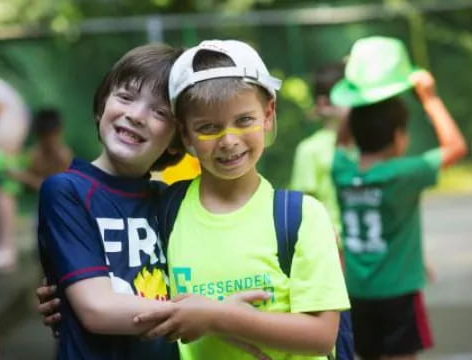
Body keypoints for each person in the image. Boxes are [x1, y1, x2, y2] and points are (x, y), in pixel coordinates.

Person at [35, 43, 271, 360]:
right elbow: (97, 308)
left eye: (160, 112)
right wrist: (213, 317)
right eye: (126, 97)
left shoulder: (172, 200)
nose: (136, 116)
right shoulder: (66, 191)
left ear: (179, 140)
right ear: (102, 103)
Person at [132, 39, 350, 360]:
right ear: (185, 133)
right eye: (208, 127)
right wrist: (65, 290)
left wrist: (218, 317)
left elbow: (320, 335)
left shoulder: (302, 216)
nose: (229, 141)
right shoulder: (164, 211)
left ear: (268, 114)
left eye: (244, 120)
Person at [330, 36, 467, 360]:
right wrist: (429, 97)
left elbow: (340, 142)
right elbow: (456, 147)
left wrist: (356, 97)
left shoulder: (341, 169)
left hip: (357, 292)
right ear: (397, 136)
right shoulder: (403, 174)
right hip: (398, 294)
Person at [289, 62, 351, 231]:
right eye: (347, 93)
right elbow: (303, 207)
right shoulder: (309, 150)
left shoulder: (368, 141)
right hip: (333, 244)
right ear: (323, 103)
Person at [0, 78, 29, 273]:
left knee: (4, 191)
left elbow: (1, 106)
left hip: (7, 132)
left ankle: (7, 249)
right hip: (10, 129)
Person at [9, 108, 72, 191]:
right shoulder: (34, 153)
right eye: (41, 136)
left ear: (58, 132)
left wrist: (26, 178)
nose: (45, 141)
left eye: (48, 136)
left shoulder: (63, 157)